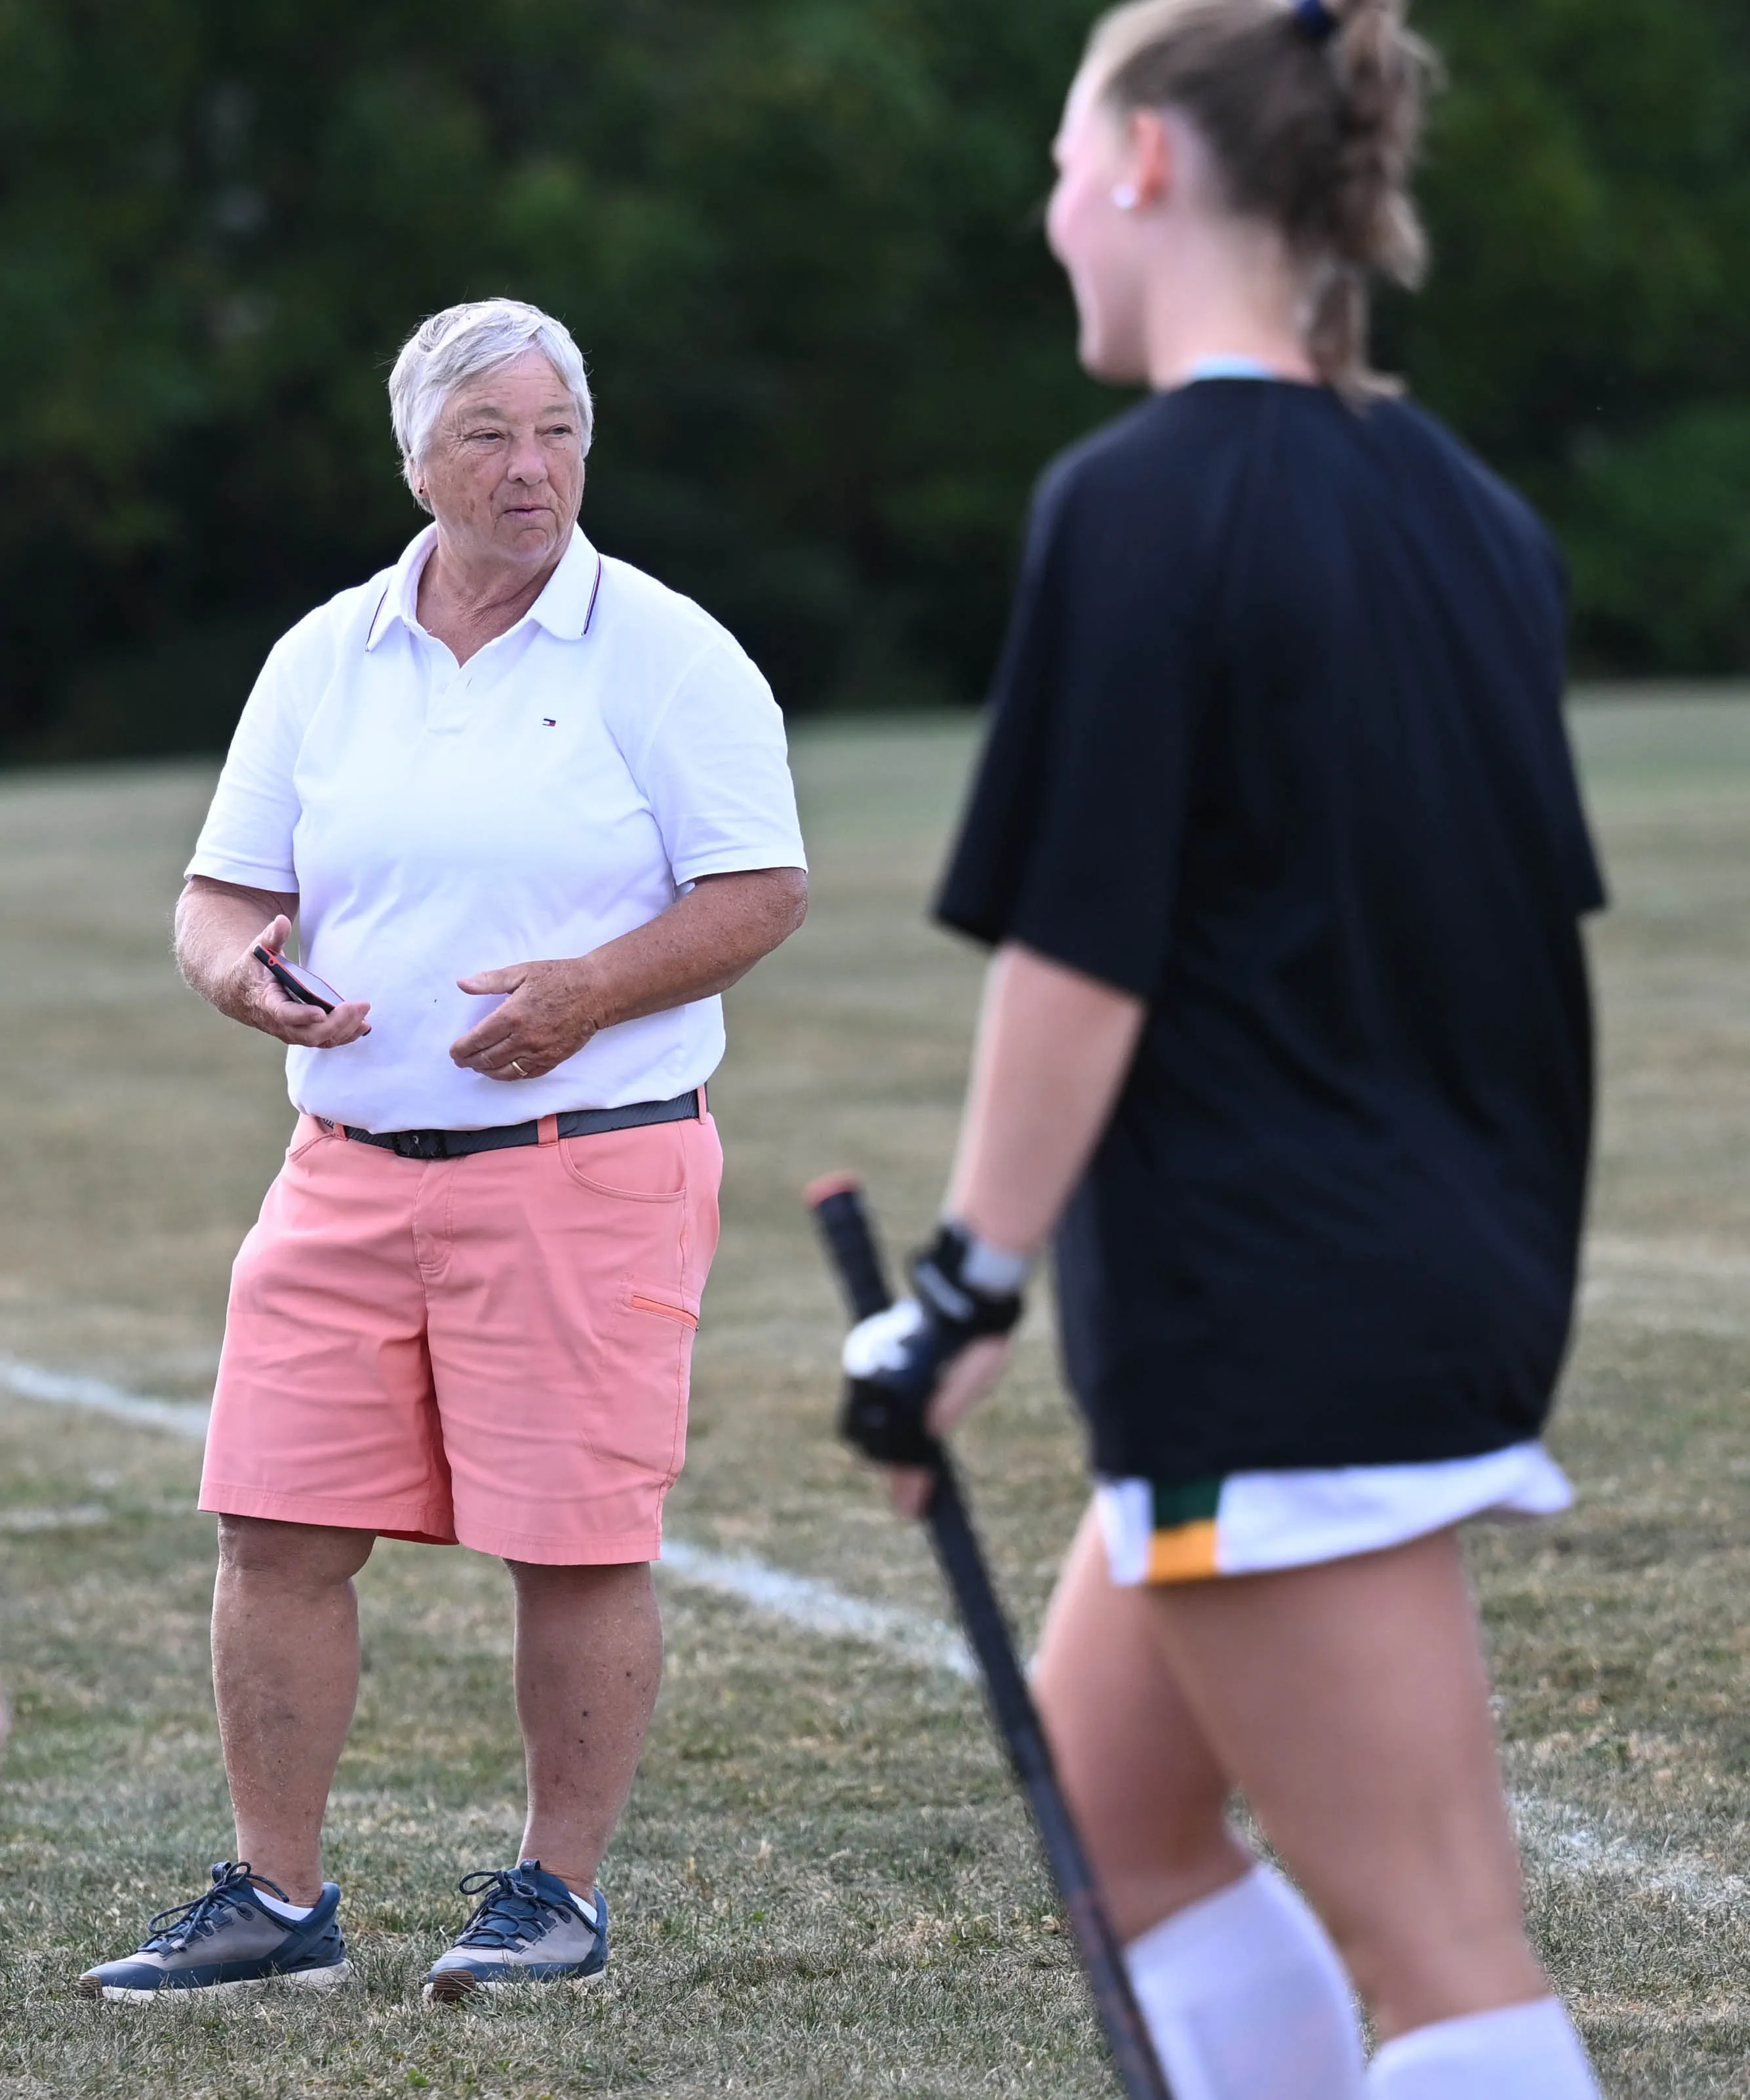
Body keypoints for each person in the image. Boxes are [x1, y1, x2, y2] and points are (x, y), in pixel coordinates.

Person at [840, 3, 1606, 2094]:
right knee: (1120, 1820)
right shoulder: (1465, 508)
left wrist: (962, 1289)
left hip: (1277, 1317)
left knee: (1447, 1954)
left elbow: (1080, 961)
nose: (1046, 205)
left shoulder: (1141, 503)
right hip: (1407, 1266)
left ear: (1150, 169)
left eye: (1066, 150)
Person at [79, 298, 808, 2004]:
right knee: (270, 1531)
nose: (529, 466)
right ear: (414, 460)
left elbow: (759, 888)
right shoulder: (326, 653)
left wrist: (588, 994)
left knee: (572, 1543)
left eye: (556, 430)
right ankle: (277, 1901)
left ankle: (552, 1895)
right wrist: (235, 971)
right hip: (342, 1167)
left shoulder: (667, 653)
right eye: (488, 434)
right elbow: (225, 887)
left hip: (586, 1156)